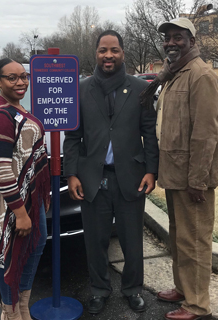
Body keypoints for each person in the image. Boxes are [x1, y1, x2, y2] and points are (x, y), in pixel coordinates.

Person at [63, 30, 159, 314]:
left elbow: (149, 134)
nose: (108, 55)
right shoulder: (80, 89)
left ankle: (132, 289)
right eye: (103, 50)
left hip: (131, 177)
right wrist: (72, 174)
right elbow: (72, 137)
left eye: (114, 50)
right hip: (93, 178)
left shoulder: (141, 87)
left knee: (132, 240)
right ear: (96, 53)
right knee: (95, 241)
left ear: (122, 54)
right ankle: (99, 290)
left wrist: (152, 170)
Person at [147, 17, 218, 320]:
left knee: (195, 242)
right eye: (167, 38)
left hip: (192, 180)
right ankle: (183, 289)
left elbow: (206, 133)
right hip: (174, 174)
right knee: (179, 238)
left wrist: (198, 180)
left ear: (192, 40)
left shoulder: (201, 75)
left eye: (178, 37)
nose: (171, 42)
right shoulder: (176, 73)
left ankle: (197, 305)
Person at [0, 58, 50, 320]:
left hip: (28, 193)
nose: (20, 82)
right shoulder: (0, 116)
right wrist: (20, 212)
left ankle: (22, 308)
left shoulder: (17, 108)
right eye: (12, 77)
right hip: (11, 200)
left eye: (24, 76)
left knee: (35, 244)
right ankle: (10, 313)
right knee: (9, 254)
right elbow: (1, 169)